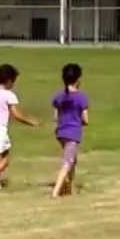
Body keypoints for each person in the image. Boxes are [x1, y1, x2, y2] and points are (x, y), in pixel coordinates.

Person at [0, 64, 38, 191]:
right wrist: (31, 122)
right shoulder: (8, 94)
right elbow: (16, 115)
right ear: (9, 80)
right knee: (5, 158)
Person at [51, 63, 89, 199]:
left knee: (73, 160)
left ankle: (68, 187)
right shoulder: (81, 97)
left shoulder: (58, 97)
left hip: (61, 133)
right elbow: (86, 119)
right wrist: (79, 121)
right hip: (73, 133)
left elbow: (56, 117)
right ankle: (56, 191)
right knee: (68, 162)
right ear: (78, 79)